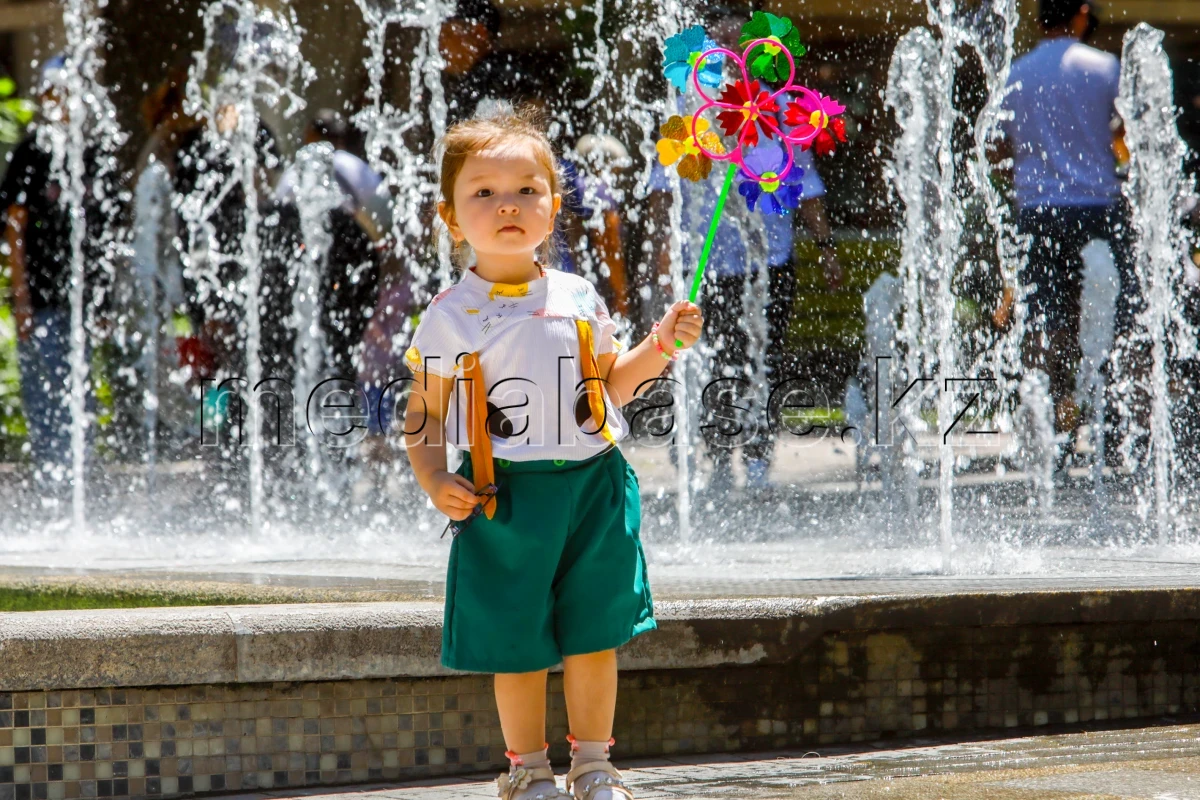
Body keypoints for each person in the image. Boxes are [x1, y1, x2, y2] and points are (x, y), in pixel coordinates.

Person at [401, 105, 702, 800]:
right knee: (519, 642)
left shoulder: (577, 294)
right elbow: (424, 412)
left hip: (595, 485)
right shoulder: (450, 314)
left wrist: (660, 345)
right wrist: (433, 475)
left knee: (594, 633)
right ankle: (527, 770)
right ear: (451, 217)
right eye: (484, 193)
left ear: (554, 207)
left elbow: (612, 387)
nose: (507, 205)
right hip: (506, 494)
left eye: (526, 191)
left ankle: (594, 765)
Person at [995, 0, 1141, 443]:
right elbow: (1128, 134)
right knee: (1124, 311)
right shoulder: (1104, 66)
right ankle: (1117, 419)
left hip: (1039, 210)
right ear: (1080, 14)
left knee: (1047, 318)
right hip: (1100, 207)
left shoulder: (1017, 72)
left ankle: (1055, 418)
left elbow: (998, 145)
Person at [1, 56, 105, 489]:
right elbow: (14, 224)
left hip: (80, 302)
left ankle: (79, 482)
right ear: (45, 95)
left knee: (78, 396)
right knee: (44, 397)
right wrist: (20, 297)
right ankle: (52, 484)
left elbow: (100, 234)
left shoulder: (91, 153)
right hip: (40, 302)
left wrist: (105, 302)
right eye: (56, 92)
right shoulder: (32, 151)